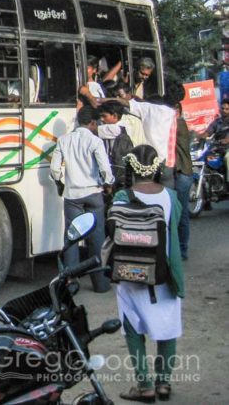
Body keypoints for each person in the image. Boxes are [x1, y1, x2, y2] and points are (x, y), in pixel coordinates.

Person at [112, 145, 184, 403]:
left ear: (130, 168)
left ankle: (144, 386)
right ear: (157, 168)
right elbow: (176, 226)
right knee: (168, 326)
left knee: (132, 328)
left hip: (130, 273)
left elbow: (113, 230)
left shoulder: (122, 196)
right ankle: (163, 383)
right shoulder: (172, 197)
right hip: (165, 273)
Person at [48, 106, 113, 293]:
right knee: (97, 238)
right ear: (92, 122)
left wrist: (60, 183)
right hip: (93, 194)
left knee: (72, 240)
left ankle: (71, 285)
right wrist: (108, 183)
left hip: (72, 196)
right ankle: (100, 284)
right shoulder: (95, 141)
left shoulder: (63, 140)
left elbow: (54, 170)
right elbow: (105, 169)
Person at [97, 100, 135, 192]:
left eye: (104, 116)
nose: (101, 119)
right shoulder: (127, 125)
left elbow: (91, 129)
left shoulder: (115, 129)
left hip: (117, 172)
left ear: (114, 116)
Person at [173, 102, 193, 260]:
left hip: (182, 173)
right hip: (179, 173)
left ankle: (182, 249)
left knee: (181, 213)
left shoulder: (179, 123)